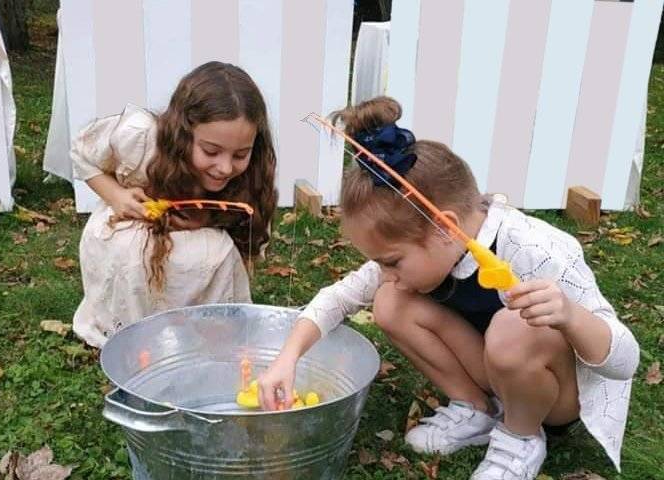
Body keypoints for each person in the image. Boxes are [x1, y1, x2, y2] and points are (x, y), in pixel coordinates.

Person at [257, 97, 639, 479]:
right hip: (494, 371)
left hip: (555, 395)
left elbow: (625, 362)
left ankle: (521, 438)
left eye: (390, 260)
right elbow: (338, 298)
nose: (385, 272)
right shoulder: (424, 246)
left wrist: (570, 316)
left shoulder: (535, 249)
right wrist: (287, 358)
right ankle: (477, 408)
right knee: (390, 301)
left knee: (511, 325)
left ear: (443, 226)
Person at [70, 61, 277, 348]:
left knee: (216, 251)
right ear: (183, 133)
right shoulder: (143, 138)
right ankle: (135, 336)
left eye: (241, 154)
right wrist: (116, 195)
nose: (225, 167)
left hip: (193, 247)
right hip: (134, 228)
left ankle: (206, 334)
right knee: (135, 253)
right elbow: (82, 154)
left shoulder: (250, 174)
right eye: (211, 151)